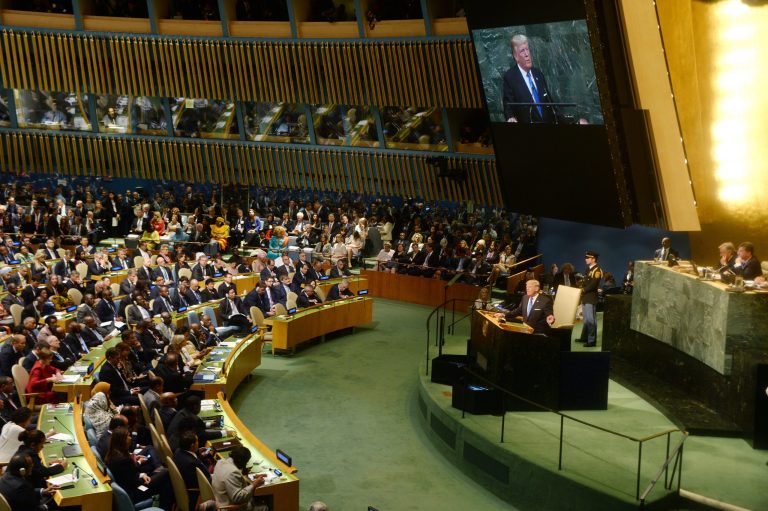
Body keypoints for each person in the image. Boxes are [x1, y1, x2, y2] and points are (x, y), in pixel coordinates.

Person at [502, 34, 584, 124]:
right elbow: (508, 106)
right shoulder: (510, 77)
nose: (527, 54)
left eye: (527, 49)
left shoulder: (538, 74)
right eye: (522, 51)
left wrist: (572, 123)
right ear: (516, 56)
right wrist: (511, 118)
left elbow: (550, 104)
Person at [105, 426, 172, 509]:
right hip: (136, 492)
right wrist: (146, 477)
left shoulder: (112, 454)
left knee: (161, 475)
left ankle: (163, 506)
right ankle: (165, 506)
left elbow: (131, 475)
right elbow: (134, 481)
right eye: (128, 436)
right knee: (166, 473)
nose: (130, 438)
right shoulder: (123, 460)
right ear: (122, 440)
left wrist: (142, 475)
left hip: (131, 486)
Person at [211, 446, 268, 511]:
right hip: (230, 507)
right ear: (241, 461)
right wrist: (254, 484)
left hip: (220, 499)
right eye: (245, 462)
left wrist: (252, 476)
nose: (245, 465)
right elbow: (238, 498)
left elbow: (232, 478)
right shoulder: (233, 472)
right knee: (264, 506)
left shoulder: (221, 462)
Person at [172, 430, 211, 511]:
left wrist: (198, 455)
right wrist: (200, 460)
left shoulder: (177, 452)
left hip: (179, 490)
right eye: (197, 441)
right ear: (192, 445)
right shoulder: (193, 462)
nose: (198, 443)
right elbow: (208, 478)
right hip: (196, 493)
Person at [578, 250, 602, 347]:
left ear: (593, 259)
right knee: (586, 320)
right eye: (586, 257)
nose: (586, 259)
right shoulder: (589, 269)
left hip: (591, 297)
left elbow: (593, 285)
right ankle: (584, 337)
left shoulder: (597, 270)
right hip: (586, 297)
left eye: (587, 258)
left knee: (591, 320)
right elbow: (585, 281)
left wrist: (582, 290)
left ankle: (591, 340)